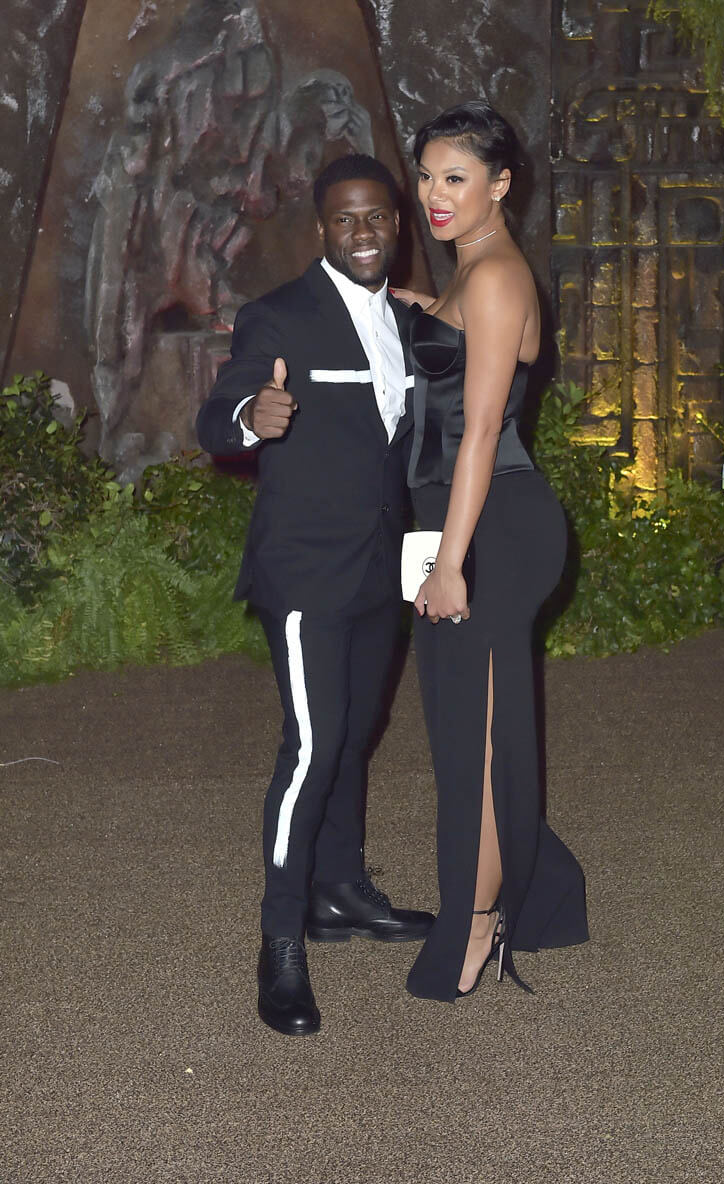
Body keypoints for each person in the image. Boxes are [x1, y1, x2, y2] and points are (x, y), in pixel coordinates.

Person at [196, 154, 433, 1037]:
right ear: (321, 229)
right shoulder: (281, 316)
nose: (362, 231)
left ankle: (340, 893)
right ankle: (281, 939)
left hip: (380, 568)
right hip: (304, 572)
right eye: (344, 218)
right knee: (312, 748)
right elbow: (219, 413)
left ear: (396, 224)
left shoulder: (409, 319)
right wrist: (249, 419)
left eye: (376, 216)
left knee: (355, 734)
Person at [393, 102, 589, 1002]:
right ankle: (541, 892)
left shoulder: (500, 276)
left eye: (456, 178)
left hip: (494, 525)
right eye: (427, 175)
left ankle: (477, 923)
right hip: (464, 521)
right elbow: (452, 347)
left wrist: (449, 563)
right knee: (463, 726)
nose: (434, 194)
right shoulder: (470, 271)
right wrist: (417, 309)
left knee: (474, 736)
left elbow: (477, 432)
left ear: (501, 184)